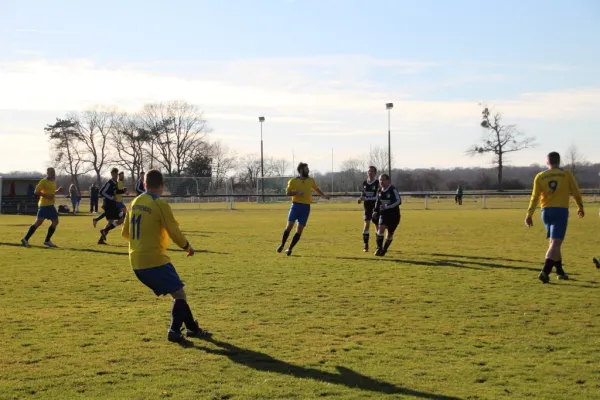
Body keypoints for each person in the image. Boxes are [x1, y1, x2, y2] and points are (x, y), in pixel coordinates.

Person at [122, 169, 210, 346]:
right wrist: (187, 246)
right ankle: (174, 331)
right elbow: (173, 232)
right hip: (153, 259)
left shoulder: (134, 203)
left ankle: (192, 327)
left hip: (135, 260)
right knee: (180, 295)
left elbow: (126, 233)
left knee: (177, 292)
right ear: (162, 186)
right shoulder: (159, 205)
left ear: (145, 185)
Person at [526, 151, 584, 283]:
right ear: (559, 161)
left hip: (545, 212)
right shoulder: (566, 174)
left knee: (554, 243)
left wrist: (529, 214)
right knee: (556, 243)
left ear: (547, 162)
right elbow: (575, 192)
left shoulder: (540, 176)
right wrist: (580, 207)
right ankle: (545, 271)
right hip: (560, 211)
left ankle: (560, 271)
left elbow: (534, 198)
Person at [276, 162, 330, 256]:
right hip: (295, 206)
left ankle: (290, 249)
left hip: (306, 208)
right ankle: (282, 244)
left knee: (300, 229)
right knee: (289, 226)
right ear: (301, 170)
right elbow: (288, 193)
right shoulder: (293, 181)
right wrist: (296, 193)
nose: (308, 170)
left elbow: (316, 189)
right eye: (306, 169)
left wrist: (324, 195)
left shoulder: (311, 180)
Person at [21, 167, 63, 248]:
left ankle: (25, 239)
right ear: (48, 173)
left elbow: (51, 193)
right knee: (55, 221)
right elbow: (36, 192)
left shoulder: (52, 182)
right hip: (47, 205)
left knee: (38, 223)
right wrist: (45, 196)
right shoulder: (44, 181)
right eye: (51, 172)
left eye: (53, 171)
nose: (53, 173)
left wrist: (57, 191)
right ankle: (47, 240)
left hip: (46, 205)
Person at [373, 174, 401, 257]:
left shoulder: (393, 189)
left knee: (389, 234)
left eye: (383, 180)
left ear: (388, 181)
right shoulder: (379, 191)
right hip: (383, 214)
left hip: (394, 215)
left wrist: (387, 206)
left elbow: (398, 201)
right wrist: (375, 211)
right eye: (380, 180)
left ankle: (384, 249)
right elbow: (378, 202)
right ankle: (379, 248)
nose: (381, 182)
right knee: (380, 230)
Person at [357, 166, 379, 252]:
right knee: (366, 224)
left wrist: (367, 198)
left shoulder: (377, 182)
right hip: (367, 207)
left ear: (374, 173)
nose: (369, 173)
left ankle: (378, 245)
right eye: (368, 171)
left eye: (371, 171)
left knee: (376, 225)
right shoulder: (365, 182)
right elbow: (363, 193)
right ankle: (366, 245)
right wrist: (360, 198)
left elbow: (378, 196)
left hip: (375, 207)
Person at [97, 168, 121, 245]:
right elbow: (102, 192)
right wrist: (111, 197)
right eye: (114, 174)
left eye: (117, 174)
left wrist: (123, 191)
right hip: (109, 204)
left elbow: (116, 191)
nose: (116, 175)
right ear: (111, 174)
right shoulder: (109, 183)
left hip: (113, 204)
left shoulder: (115, 182)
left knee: (111, 221)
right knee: (121, 219)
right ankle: (103, 233)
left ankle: (101, 238)